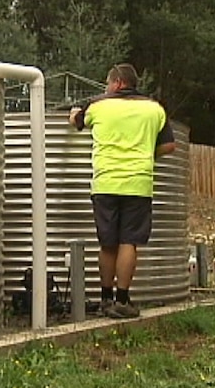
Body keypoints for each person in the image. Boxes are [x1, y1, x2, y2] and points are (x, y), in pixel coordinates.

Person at [68, 63, 176, 319]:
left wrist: (74, 114)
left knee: (107, 243)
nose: (106, 88)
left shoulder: (99, 105)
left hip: (105, 183)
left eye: (108, 83)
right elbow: (170, 146)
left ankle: (105, 300)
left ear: (117, 83)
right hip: (138, 184)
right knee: (129, 241)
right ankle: (123, 301)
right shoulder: (154, 109)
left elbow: (76, 121)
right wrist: (146, 154)